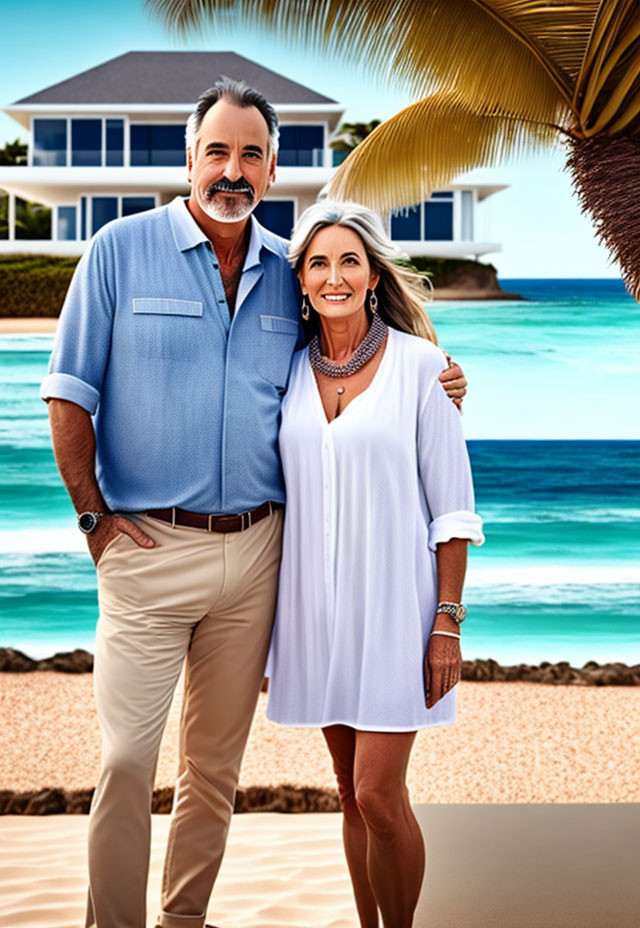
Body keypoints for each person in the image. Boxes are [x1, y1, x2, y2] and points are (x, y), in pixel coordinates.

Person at [40, 79, 467, 928]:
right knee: (127, 760)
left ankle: (183, 921)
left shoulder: (290, 272)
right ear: (190, 159)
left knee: (213, 772)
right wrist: (95, 523)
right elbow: (66, 396)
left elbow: (360, 362)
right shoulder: (118, 252)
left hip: (260, 563)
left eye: (250, 156)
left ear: (272, 170)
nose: (231, 172)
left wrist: (442, 377)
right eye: (217, 153)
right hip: (146, 552)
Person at [266, 200, 484, 928]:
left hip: (397, 614)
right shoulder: (287, 375)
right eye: (319, 262)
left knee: (380, 795)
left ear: (371, 275)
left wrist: (446, 623)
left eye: (349, 260)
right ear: (300, 280)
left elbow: (452, 508)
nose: (334, 275)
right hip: (313, 617)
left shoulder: (424, 369)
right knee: (347, 790)